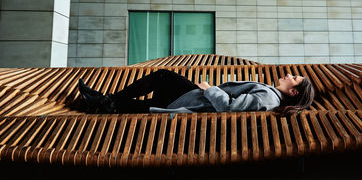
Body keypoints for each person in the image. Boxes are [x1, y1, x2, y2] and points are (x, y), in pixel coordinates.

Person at [78, 69, 314, 115]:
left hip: (196, 102)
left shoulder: (269, 97)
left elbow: (231, 108)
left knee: (163, 76)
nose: (288, 75)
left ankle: (105, 100)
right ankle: (103, 103)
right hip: (192, 101)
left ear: (293, 92)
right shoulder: (270, 95)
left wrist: (210, 89)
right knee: (139, 105)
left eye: (293, 78)